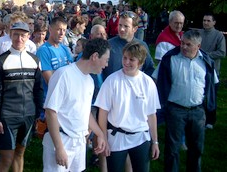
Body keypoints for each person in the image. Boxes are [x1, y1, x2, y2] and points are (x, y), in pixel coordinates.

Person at [42, 38, 109, 172]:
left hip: (79, 143)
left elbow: (85, 112)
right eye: (106, 60)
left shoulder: (90, 80)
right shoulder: (63, 75)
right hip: (60, 140)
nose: (107, 64)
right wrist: (59, 148)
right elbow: (50, 112)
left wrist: (100, 134)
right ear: (95, 56)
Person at [156, 30, 217, 172]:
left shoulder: (206, 62)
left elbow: (213, 86)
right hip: (175, 110)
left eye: (188, 44)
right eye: (182, 43)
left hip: (197, 111)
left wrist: (210, 108)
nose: (183, 46)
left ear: (198, 46)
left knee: (196, 148)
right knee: (172, 150)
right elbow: (158, 80)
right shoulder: (170, 59)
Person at [95, 42, 160, 172]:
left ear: (140, 63)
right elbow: (102, 113)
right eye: (124, 58)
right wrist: (104, 139)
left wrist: (155, 142)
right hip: (116, 137)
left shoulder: (148, 83)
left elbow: (151, 115)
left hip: (141, 137)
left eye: (131, 59)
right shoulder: (112, 81)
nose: (126, 62)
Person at [0, 22, 43, 172]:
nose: (19, 38)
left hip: (28, 115)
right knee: (6, 158)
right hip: (8, 116)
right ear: (10, 35)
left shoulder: (35, 60)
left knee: (20, 153)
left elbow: (38, 89)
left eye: (23, 35)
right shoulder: (0, 61)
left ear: (28, 37)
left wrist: (38, 113)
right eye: (16, 34)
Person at [102, 11, 155, 80]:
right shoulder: (108, 45)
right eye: (120, 25)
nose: (121, 29)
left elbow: (149, 69)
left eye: (126, 26)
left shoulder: (142, 46)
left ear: (135, 29)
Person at [199, 13, 226, 129]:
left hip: (212, 71)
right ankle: (200, 119)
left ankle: (210, 120)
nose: (206, 22)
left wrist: (206, 55)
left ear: (214, 22)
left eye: (208, 21)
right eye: (204, 20)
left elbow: (222, 52)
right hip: (199, 69)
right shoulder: (198, 33)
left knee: (211, 96)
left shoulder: (219, 35)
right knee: (200, 95)